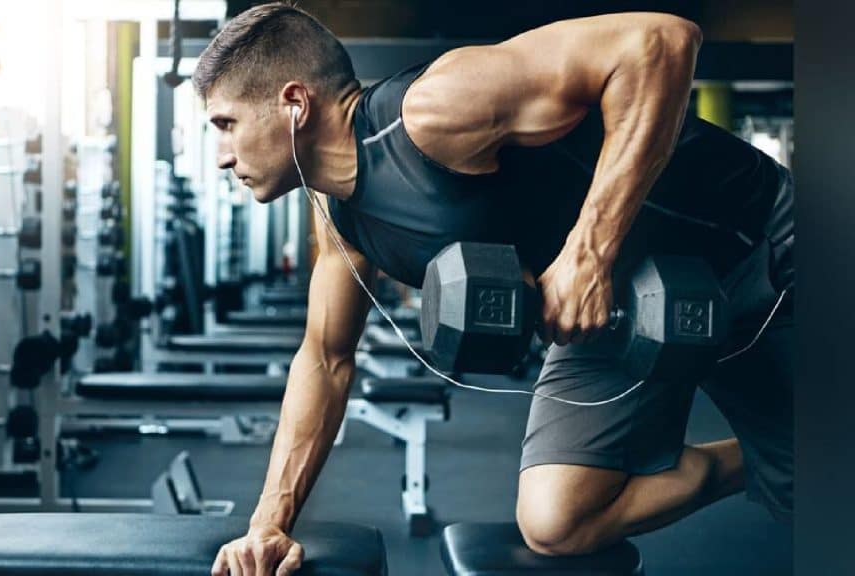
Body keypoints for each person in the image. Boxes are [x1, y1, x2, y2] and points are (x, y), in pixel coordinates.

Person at [195, 3, 794, 575]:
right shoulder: (340, 218)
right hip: (627, 306)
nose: (222, 155)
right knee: (558, 520)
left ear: (294, 103)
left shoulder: (434, 110)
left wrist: (589, 252)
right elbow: (325, 360)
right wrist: (268, 523)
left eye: (227, 124)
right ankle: (770, 459)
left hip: (759, 244)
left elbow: (662, 40)